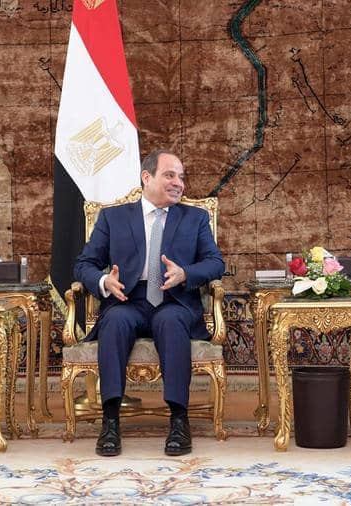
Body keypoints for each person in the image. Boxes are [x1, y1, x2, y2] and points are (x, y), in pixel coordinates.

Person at [74, 149, 225, 457]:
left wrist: (185, 273)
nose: (178, 183)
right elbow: (84, 264)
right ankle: (110, 420)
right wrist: (104, 282)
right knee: (114, 321)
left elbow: (215, 263)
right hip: (127, 299)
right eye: (170, 175)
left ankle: (179, 420)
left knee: (170, 321)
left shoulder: (194, 218)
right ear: (147, 177)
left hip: (174, 299)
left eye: (181, 177)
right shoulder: (114, 218)